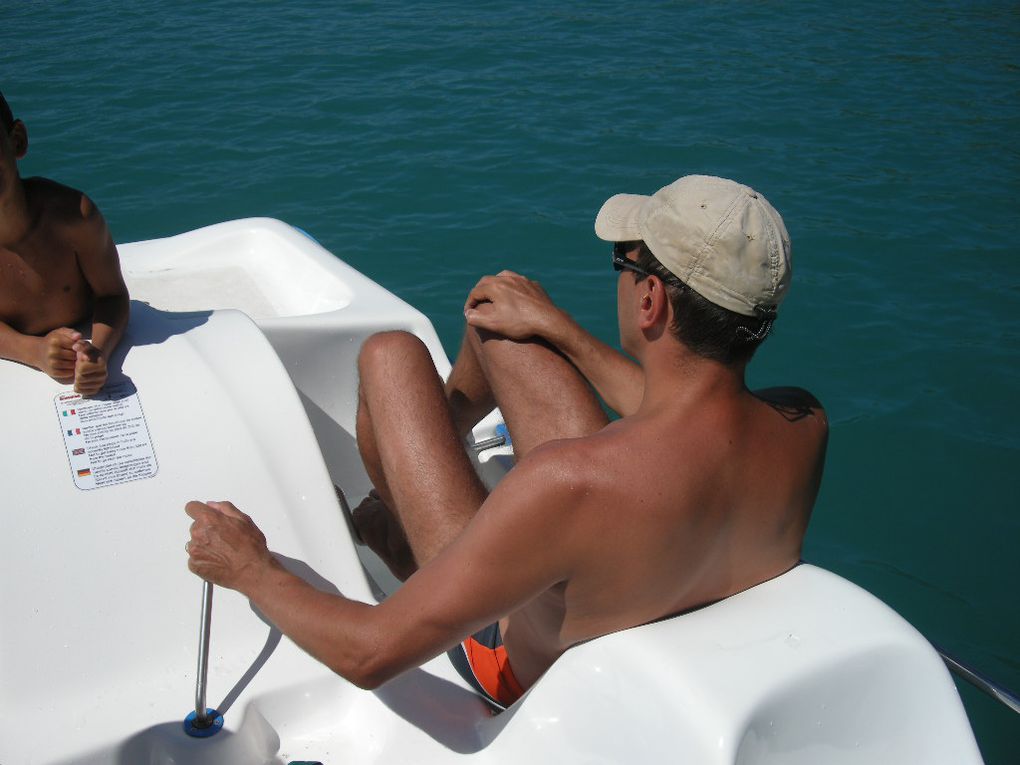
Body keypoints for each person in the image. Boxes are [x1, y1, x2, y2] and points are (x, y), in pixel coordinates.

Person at [186, 174, 828, 709]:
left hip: (512, 664)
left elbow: (371, 654)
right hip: (642, 594)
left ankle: (407, 531)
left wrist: (251, 569)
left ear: (651, 300)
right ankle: (420, 479)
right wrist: (558, 328)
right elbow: (679, 409)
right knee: (502, 321)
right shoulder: (803, 425)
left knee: (391, 357)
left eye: (625, 265)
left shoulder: (566, 483)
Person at [0, 91, 129, 396]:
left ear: (16, 140)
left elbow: (112, 295)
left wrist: (97, 353)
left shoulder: (74, 218)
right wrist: (34, 351)